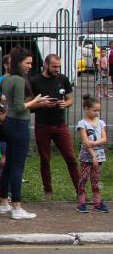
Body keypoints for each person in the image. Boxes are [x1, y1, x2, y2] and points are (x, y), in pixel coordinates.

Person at [0, 47, 52, 220]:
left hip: (8, 123)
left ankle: (4, 202)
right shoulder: (20, 81)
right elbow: (21, 107)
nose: (30, 66)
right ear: (18, 62)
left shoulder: (7, 79)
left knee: (8, 165)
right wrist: (36, 102)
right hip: (19, 124)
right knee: (17, 166)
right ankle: (17, 206)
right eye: (27, 63)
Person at [29, 54, 79, 200]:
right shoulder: (34, 81)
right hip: (42, 125)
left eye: (59, 66)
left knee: (71, 158)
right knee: (45, 159)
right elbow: (29, 105)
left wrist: (66, 103)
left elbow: (70, 98)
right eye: (54, 67)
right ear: (46, 65)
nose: (57, 69)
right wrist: (42, 104)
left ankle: (80, 191)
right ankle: (48, 191)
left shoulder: (62, 79)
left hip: (60, 125)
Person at [75, 95, 108, 213]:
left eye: (98, 110)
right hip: (87, 157)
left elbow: (104, 139)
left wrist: (93, 143)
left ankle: (97, 202)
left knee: (96, 180)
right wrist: (93, 155)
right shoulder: (82, 123)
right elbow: (85, 143)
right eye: (94, 110)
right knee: (83, 179)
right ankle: (81, 203)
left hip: (99, 156)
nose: (97, 113)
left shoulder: (101, 123)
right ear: (86, 108)